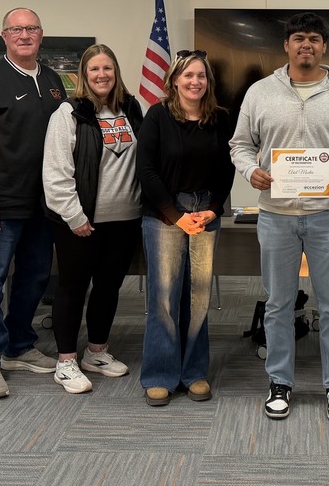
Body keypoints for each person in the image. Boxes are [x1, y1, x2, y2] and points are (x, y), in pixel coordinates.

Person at [230, 12, 329, 424]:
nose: (306, 45)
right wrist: (249, 170)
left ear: (324, 46)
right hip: (276, 215)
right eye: (299, 38)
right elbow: (240, 145)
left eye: (314, 38)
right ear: (287, 45)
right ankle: (280, 382)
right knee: (278, 304)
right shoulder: (261, 92)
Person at [0, 7, 67, 400]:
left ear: (41, 34)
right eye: (16, 29)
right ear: (4, 36)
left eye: (31, 28)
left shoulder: (54, 81)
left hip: (43, 204)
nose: (24, 34)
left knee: (35, 279)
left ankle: (18, 347)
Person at [136, 50, 235, 407]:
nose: (195, 82)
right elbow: (146, 170)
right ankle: (160, 375)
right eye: (188, 75)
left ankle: (194, 372)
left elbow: (228, 168)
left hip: (206, 213)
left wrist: (212, 208)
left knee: (198, 297)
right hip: (165, 214)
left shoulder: (220, 119)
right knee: (163, 298)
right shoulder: (158, 115)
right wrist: (175, 214)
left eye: (202, 76)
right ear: (174, 79)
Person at [42, 44, 143, 394]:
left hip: (125, 219)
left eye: (108, 69)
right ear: (84, 75)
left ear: (116, 73)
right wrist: (74, 215)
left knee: (108, 288)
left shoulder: (130, 108)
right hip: (81, 222)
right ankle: (66, 361)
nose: (102, 75)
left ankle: (96, 352)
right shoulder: (69, 113)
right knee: (71, 288)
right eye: (95, 70)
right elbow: (55, 174)